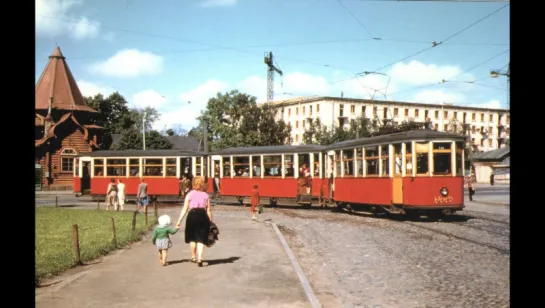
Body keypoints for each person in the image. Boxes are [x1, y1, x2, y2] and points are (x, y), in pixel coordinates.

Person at [175, 177, 212, 267]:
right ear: (203, 184)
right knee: (201, 238)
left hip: (192, 215)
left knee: (192, 237)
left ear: (193, 184)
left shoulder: (189, 194)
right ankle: (200, 257)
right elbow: (209, 210)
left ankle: (193, 257)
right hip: (203, 215)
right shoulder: (205, 195)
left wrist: (179, 220)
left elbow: (184, 209)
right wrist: (210, 221)